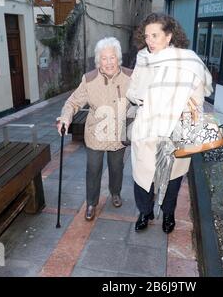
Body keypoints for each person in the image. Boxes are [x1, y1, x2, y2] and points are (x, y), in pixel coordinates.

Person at [126, 13, 213, 233]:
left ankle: (168, 214)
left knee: (172, 178)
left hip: (176, 131)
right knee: (143, 177)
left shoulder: (188, 61)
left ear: (169, 36)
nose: (149, 40)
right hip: (146, 129)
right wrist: (145, 96)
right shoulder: (143, 59)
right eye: (146, 36)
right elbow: (132, 90)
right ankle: (145, 212)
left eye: (155, 35)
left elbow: (198, 97)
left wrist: (179, 106)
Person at [56, 37, 132, 221]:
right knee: (93, 169)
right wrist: (65, 117)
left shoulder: (131, 77)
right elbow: (73, 102)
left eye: (112, 57)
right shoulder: (89, 80)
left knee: (116, 167)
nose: (108, 62)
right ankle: (91, 203)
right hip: (96, 134)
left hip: (118, 134)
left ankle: (115, 193)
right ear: (98, 60)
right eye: (104, 58)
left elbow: (144, 99)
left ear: (118, 58)